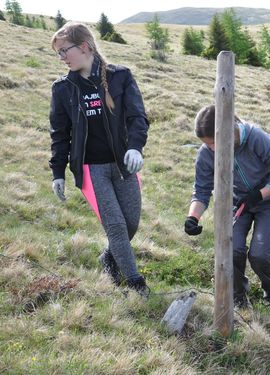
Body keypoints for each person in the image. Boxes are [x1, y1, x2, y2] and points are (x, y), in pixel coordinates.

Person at [49, 22, 150, 296]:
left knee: (130, 225)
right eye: (58, 53)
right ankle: (135, 284)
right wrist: (58, 172)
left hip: (123, 164)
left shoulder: (121, 77)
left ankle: (109, 258)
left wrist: (136, 148)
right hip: (91, 169)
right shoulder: (62, 89)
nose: (62, 58)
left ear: (84, 47)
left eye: (64, 51)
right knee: (116, 226)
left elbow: (137, 118)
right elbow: (59, 134)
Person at [185, 105, 270, 317]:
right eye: (207, 144)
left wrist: (259, 194)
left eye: (213, 142)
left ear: (228, 131)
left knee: (261, 255)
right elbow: (201, 189)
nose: (212, 149)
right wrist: (193, 217)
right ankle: (238, 300)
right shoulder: (207, 153)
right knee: (230, 250)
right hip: (236, 204)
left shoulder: (256, 138)